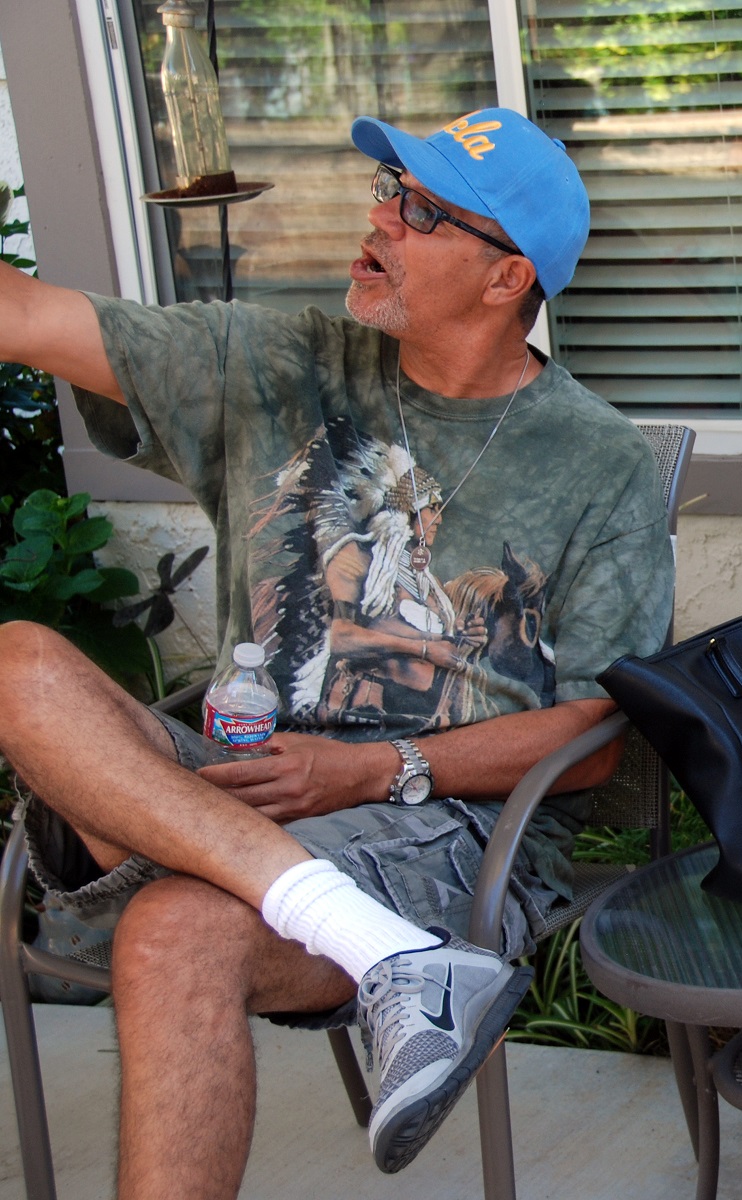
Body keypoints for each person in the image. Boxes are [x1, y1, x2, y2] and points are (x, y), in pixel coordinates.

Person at [0, 108, 673, 1195]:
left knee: (174, 931)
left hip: (441, 823)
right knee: (17, 661)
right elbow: (22, 314)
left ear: (508, 279)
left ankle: (377, 936)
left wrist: (369, 770)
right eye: (388, 190)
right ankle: (384, 954)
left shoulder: (599, 463)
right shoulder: (273, 362)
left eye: (423, 212)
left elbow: (594, 738)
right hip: (239, 775)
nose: (381, 220)